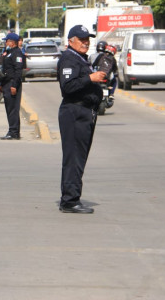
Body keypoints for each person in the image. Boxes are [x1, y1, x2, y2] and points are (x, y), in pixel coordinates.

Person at [57, 25, 107, 214]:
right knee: (74, 158)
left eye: (88, 39)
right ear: (71, 41)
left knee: (79, 157)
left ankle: (71, 196)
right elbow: (68, 87)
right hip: (74, 112)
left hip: (84, 112)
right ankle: (69, 200)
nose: (86, 43)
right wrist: (90, 78)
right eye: (82, 39)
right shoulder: (69, 59)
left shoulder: (80, 59)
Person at [0, 32, 25, 140]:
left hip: (12, 84)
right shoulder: (9, 52)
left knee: (13, 109)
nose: (6, 43)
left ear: (12, 42)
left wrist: (14, 85)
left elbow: (18, 71)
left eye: (7, 41)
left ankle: (13, 131)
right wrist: (1, 84)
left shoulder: (17, 53)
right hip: (6, 83)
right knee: (10, 108)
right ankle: (14, 131)